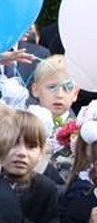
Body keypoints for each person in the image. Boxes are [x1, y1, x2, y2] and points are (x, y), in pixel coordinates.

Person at [30, 55, 79, 183]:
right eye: (52, 87)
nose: (59, 95)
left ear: (75, 93)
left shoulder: (81, 131)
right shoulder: (22, 123)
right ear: (35, 90)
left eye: (67, 87)